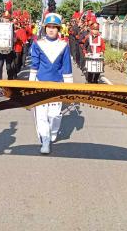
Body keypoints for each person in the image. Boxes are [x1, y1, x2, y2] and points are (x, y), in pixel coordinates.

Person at [29, 12, 73, 154]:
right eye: (49, 27)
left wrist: (69, 89)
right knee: (41, 116)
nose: (51, 29)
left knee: (54, 115)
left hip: (57, 85)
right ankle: (45, 141)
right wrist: (30, 86)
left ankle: (53, 131)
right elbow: (34, 65)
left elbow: (67, 67)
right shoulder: (38, 44)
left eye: (55, 27)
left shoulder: (64, 45)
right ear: (45, 28)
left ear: (58, 29)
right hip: (40, 84)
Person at [0, 11, 16, 80]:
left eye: (7, 18)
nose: (6, 20)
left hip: (9, 50)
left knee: (9, 67)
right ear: (2, 18)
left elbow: (14, 37)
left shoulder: (12, 26)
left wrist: (13, 41)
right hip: (0, 49)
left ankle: (9, 82)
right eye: (5, 18)